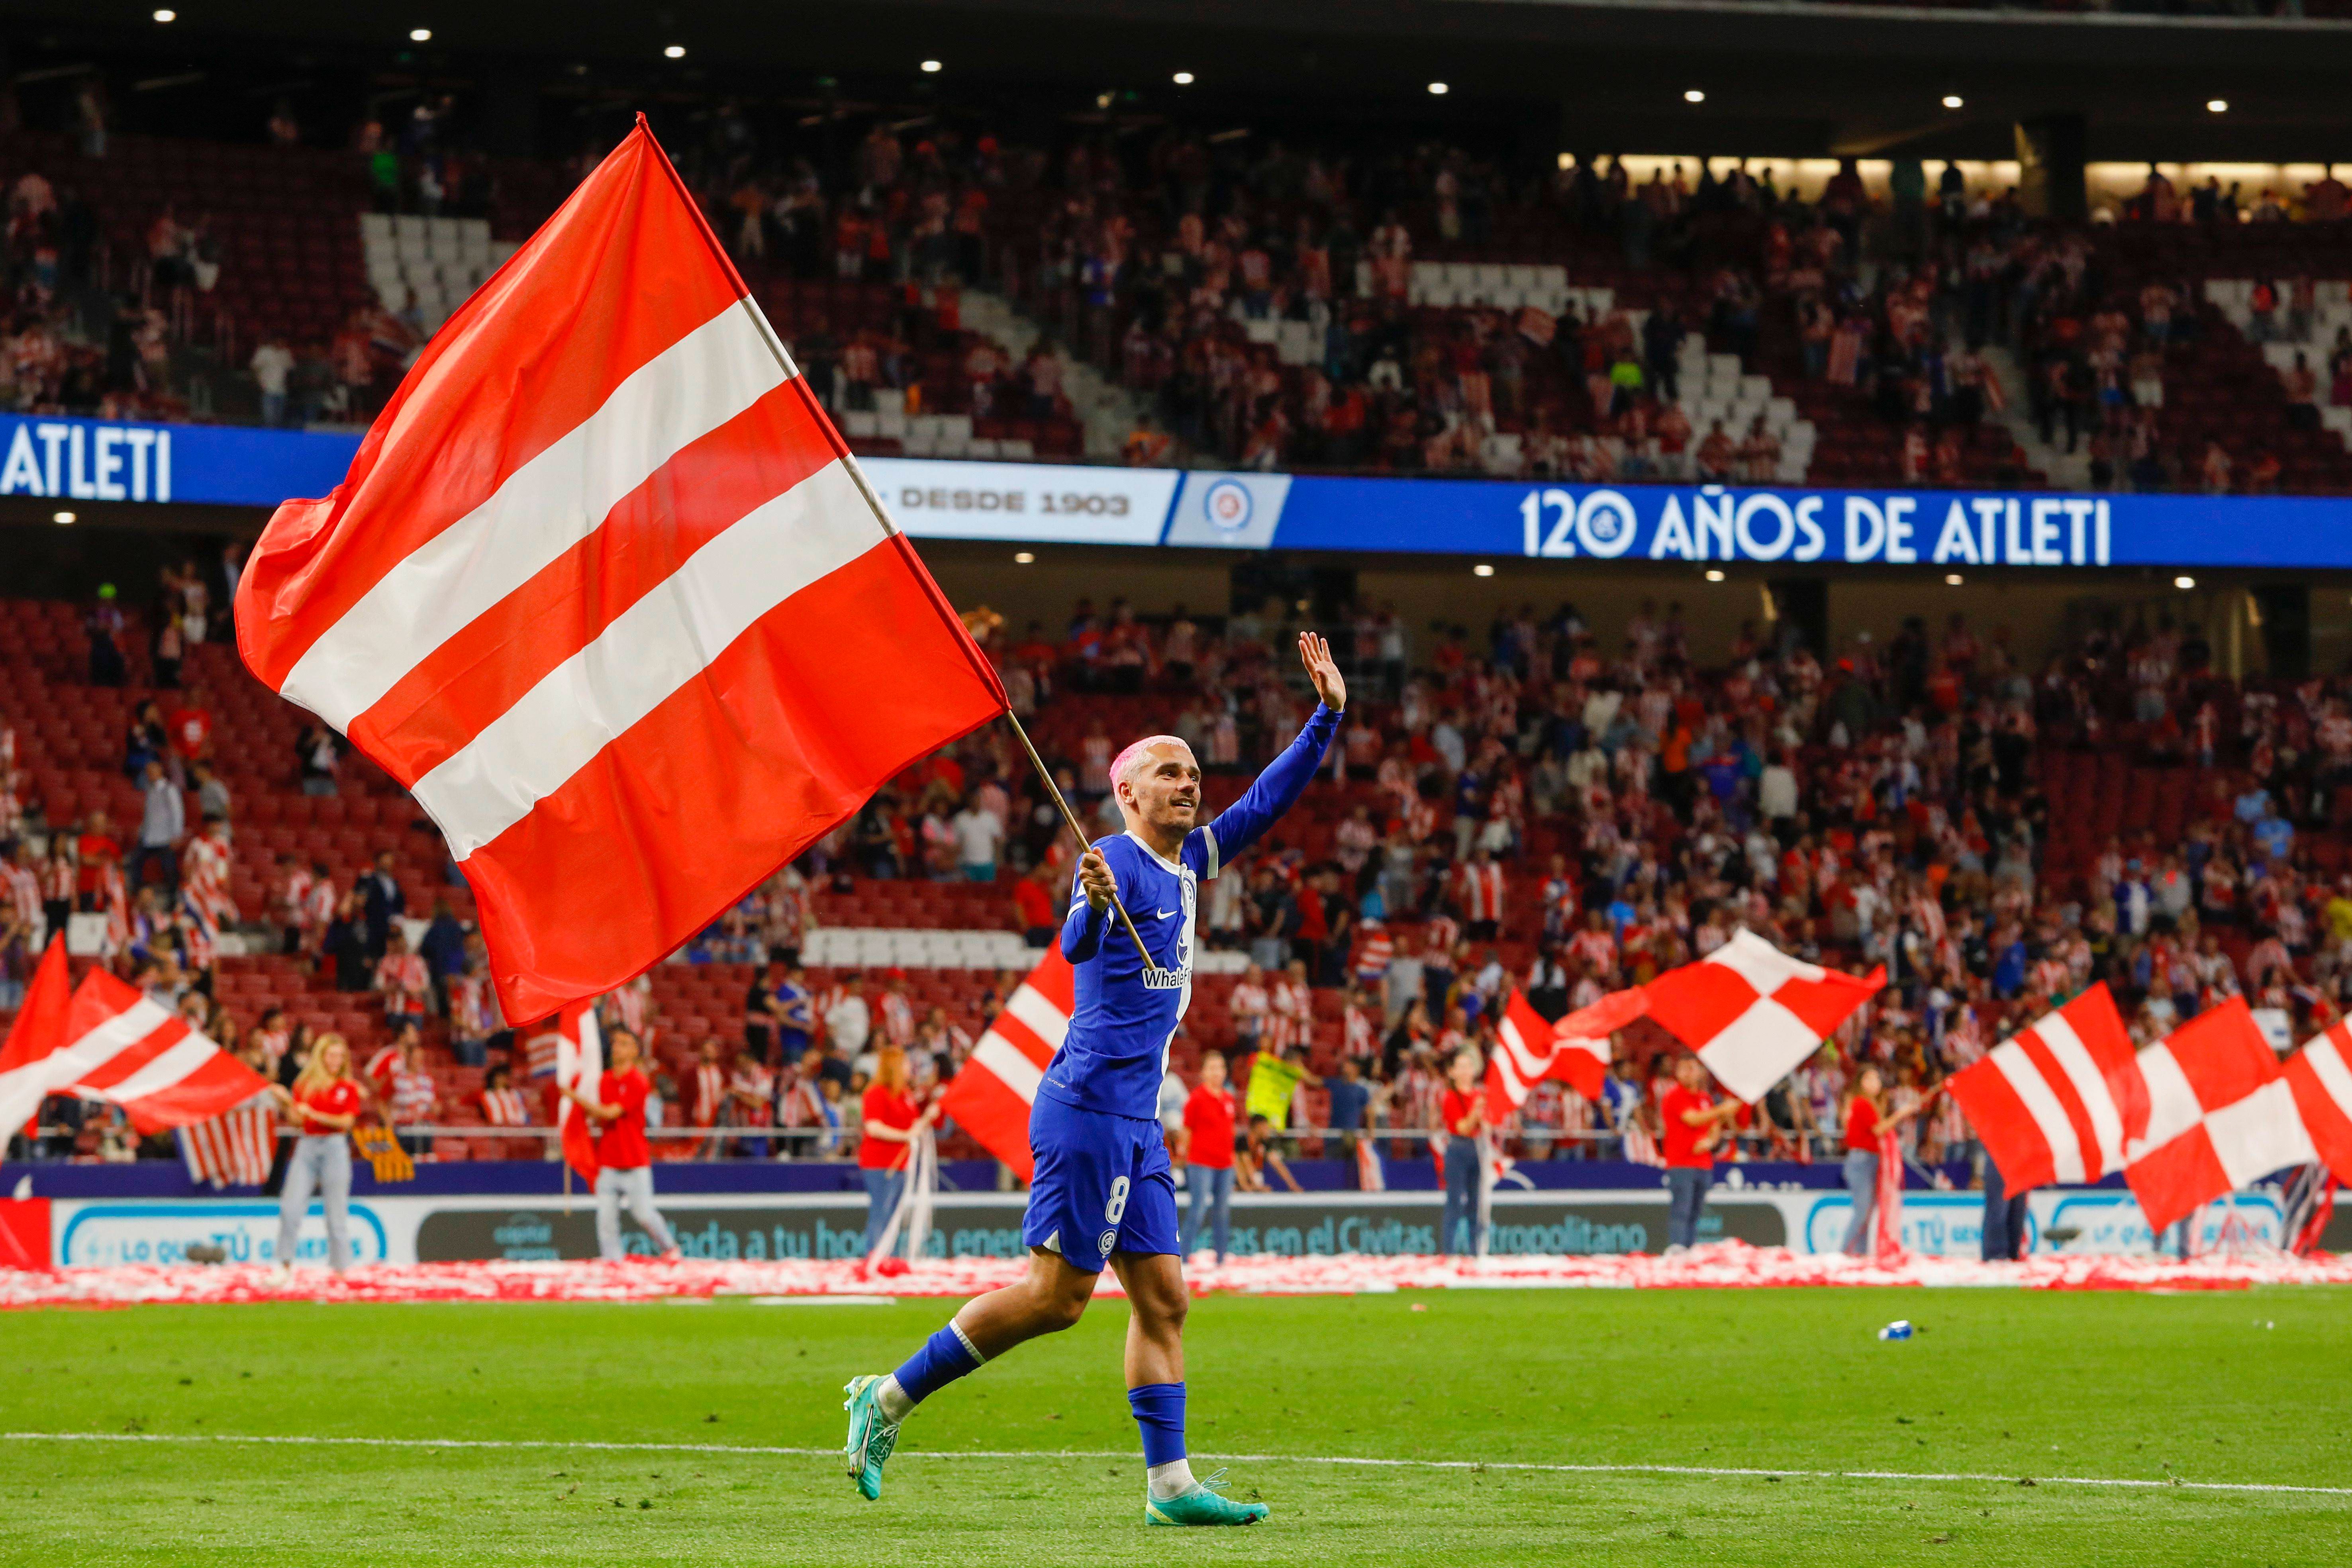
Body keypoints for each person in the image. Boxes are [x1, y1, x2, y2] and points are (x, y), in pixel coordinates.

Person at [843, 631, 1345, 1525]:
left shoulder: (1190, 862)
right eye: (1168, 774)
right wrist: (1094, 913)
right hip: (1087, 1112)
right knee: (1056, 1299)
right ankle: (885, 1400)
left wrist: (1326, 717)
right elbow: (1076, 942)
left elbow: (1266, 804)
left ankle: (1171, 1487)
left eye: (1192, 773)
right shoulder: (1111, 861)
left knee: (1165, 1298)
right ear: (1126, 794)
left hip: (1135, 1120)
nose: (1189, 784)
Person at [561, 1026, 682, 1262]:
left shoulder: (639, 1081)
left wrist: (575, 1097)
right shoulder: (605, 1080)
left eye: (625, 1043)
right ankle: (612, 1262)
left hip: (634, 1162)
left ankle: (669, 1248)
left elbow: (611, 1113)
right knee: (606, 1221)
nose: (618, 1047)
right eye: (616, 1042)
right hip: (608, 1161)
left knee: (644, 1214)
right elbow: (599, 1115)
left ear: (636, 1050)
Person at [269, 1032, 362, 1276]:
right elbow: (298, 1120)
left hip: (335, 1147)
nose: (336, 1061)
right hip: (308, 1146)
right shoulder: (305, 1085)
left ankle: (340, 1269)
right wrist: (285, 1102)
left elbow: (347, 1122)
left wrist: (314, 1114)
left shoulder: (348, 1087)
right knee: (291, 1207)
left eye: (340, 1056)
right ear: (321, 1057)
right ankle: (284, 1264)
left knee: (336, 1212)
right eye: (331, 1055)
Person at [1838, 1066, 1936, 1256]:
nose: (1877, 1084)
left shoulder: (1867, 1104)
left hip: (1869, 1159)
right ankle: (1845, 1252)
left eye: (1878, 1080)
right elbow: (1879, 1129)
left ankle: (1859, 1253)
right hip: (1862, 1160)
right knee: (1863, 1211)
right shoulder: (1861, 1103)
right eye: (1873, 1079)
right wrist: (1901, 1114)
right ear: (1863, 1082)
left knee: (1866, 1212)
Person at [1660, 1053, 1742, 1252]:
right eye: (1683, 1068)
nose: (1688, 1073)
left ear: (1700, 1072)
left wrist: (1709, 1143)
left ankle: (1688, 1247)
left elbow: (1714, 1127)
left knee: (1696, 1210)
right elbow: (1693, 1119)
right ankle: (1677, 1246)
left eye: (1692, 1068)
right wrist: (1723, 1110)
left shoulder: (1705, 1098)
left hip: (1703, 1163)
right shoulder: (1674, 1095)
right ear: (1677, 1072)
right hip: (1681, 1163)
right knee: (1682, 1207)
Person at [858, 1045, 935, 1256]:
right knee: (882, 1212)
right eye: (905, 1063)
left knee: (894, 1214)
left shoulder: (905, 1094)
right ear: (894, 1066)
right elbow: (873, 1127)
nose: (909, 1067)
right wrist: (906, 1136)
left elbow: (913, 1129)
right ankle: (875, 1256)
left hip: (901, 1163)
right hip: (880, 1163)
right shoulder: (876, 1093)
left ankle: (888, 1256)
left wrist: (929, 1116)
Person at [1177, 1051, 1237, 1263]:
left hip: (1225, 1164)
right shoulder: (1197, 1098)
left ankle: (1221, 1258)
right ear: (1203, 1072)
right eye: (1212, 1068)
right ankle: (1183, 1256)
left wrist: (1232, 1158)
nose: (1217, 1073)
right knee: (1198, 1209)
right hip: (1201, 1163)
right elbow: (1187, 1130)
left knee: (1222, 1212)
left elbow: (1230, 1131)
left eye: (1220, 1068)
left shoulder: (1229, 1098)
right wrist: (1184, 1156)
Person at [1438, 1047, 1485, 1256]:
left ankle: (1476, 1251)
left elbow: (1486, 1126)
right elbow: (1462, 1128)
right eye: (1461, 1067)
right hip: (1458, 1148)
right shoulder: (1450, 1098)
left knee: (1476, 1203)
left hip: (1477, 1148)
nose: (1466, 1071)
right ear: (1453, 1072)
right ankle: (1449, 1252)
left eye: (1469, 1066)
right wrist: (1477, 1112)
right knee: (1455, 1202)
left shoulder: (1479, 1096)